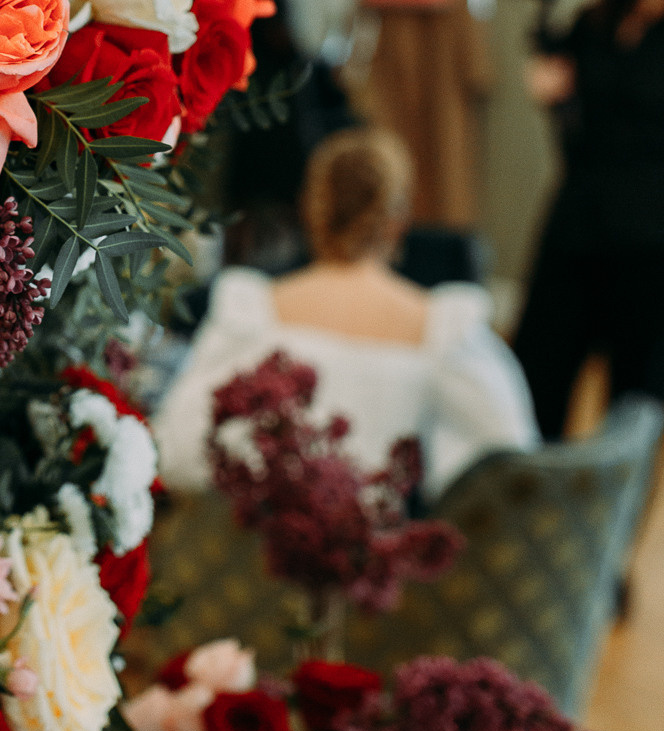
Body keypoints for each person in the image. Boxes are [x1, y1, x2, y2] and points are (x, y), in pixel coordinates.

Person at [154, 126, 536, 498]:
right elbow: (511, 462)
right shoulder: (443, 328)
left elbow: (179, 453)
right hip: (389, 552)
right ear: (397, 219)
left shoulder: (252, 312)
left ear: (311, 209)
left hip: (265, 547)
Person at [513, 0, 664, 440]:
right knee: (536, 374)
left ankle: (616, 516)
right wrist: (553, 97)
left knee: (633, 401)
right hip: (577, 222)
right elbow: (578, 136)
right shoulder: (594, 25)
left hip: (649, 241)